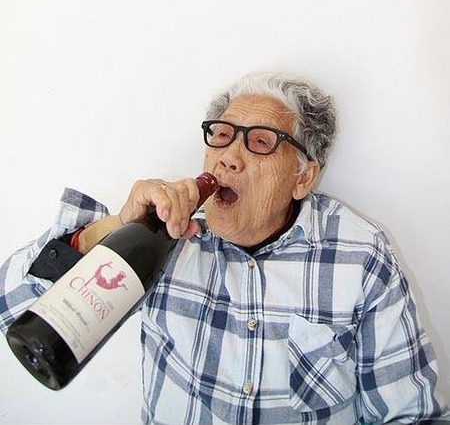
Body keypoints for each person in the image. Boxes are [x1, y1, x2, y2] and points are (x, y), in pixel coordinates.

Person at [0, 72, 448, 424]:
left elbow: (411, 414)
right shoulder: (168, 235)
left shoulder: (360, 256)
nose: (228, 157)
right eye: (221, 135)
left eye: (260, 141)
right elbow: (12, 307)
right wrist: (116, 227)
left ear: (303, 177)